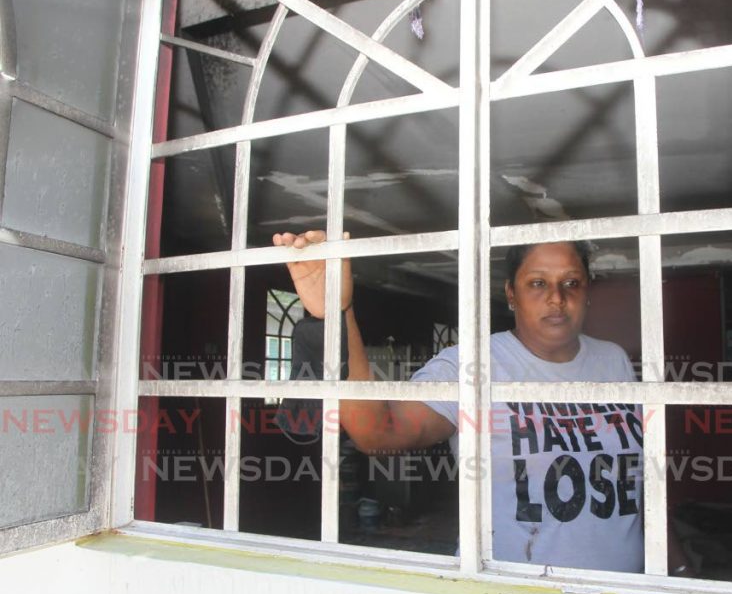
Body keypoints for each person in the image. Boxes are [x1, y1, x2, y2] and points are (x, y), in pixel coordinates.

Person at [272, 231, 683, 573]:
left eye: (571, 283)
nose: (557, 298)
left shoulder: (612, 359)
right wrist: (336, 314)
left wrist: (676, 566)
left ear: (587, 291)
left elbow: (633, 480)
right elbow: (380, 431)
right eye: (538, 283)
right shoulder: (471, 364)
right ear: (511, 294)